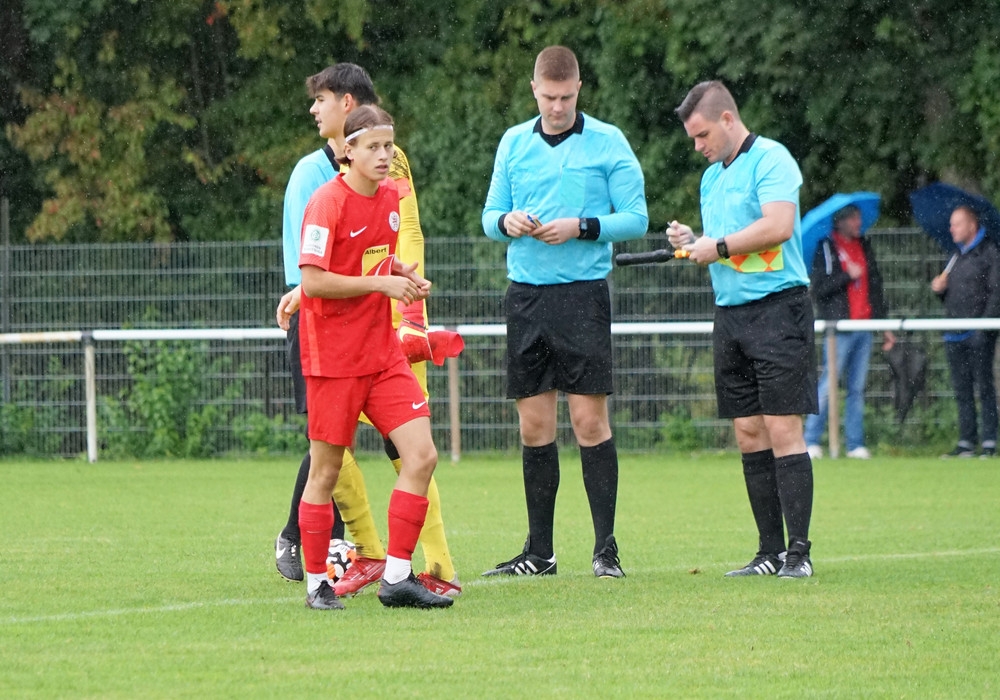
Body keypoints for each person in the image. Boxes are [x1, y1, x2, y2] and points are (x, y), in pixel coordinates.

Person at [273, 63, 462, 600]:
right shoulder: (324, 201)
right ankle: (317, 582)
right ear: (349, 151)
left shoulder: (390, 199)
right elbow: (313, 279)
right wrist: (380, 284)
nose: (386, 156)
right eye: (375, 147)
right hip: (333, 358)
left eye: (389, 146)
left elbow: (372, 258)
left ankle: (397, 577)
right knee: (326, 470)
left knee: (421, 455)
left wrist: (400, 274)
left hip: (381, 355)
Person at [480, 46, 648, 579]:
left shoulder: (608, 141)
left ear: (579, 90)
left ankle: (605, 549)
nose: (557, 107)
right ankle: (539, 552)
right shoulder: (513, 142)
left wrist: (582, 226)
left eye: (566, 98)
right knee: (534, 426)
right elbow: (488, 216)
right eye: (549, 97)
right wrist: (506, 222)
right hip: (526, 298)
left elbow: (637, 218)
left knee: (588, 421)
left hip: (583, 296)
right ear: (534, 89)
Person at [666, 80, 817, 578]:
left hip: (779, 310)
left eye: (703, 134)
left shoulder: (772, 159)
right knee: (749, 432)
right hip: (730, 314)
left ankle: (799, 554)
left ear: (728, 119)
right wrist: (695, 240)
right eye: (693, 138)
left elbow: (777, 227)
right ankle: (769, 552)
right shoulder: (712, 178)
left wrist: (719, 246)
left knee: (782, 428)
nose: (698, 146)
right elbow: (725, 243)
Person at [805, 204, 896, 460]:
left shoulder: (864, 246)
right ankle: (811, 440)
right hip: (839, 328)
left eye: (859, 218)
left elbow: (875, 286)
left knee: (857, 388)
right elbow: (819, 288)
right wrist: (847, 275)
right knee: (828, 384)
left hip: (864, 326)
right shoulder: (826, 247)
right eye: (854, 218)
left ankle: (854, 444)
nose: (859, 223)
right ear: (841, 221)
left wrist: (883, 323)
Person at [930, 205, 1000, 458]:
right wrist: (939, 290)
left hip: (979, 332)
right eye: (951, 224)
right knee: (962, 390)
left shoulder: (989, 252)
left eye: (956, 224)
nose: (952, 229)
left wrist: (983, 327)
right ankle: (966, 441)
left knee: (984, 387)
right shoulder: (954, 255)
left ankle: (989, 441)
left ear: (971, 225)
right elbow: (952, 296)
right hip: (954, 332)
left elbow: (996, 293)